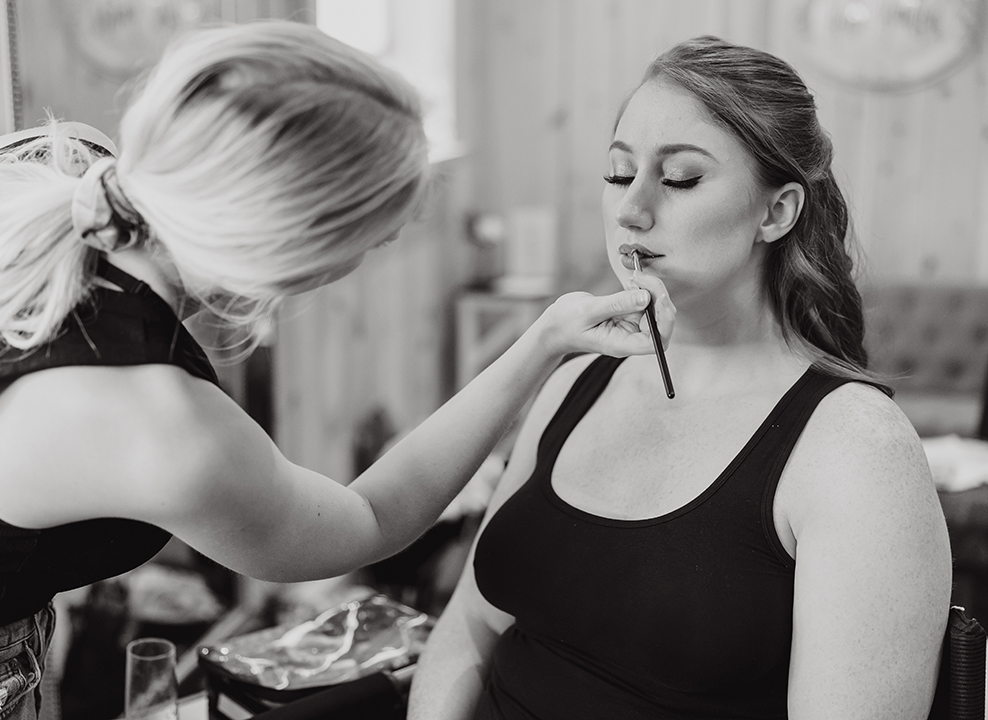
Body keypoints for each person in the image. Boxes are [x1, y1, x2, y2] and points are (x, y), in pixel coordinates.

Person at [0, 20, 669, 720]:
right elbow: (364, 522)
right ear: (301, 255)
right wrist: (539, 348)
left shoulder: (42, 172)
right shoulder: (167, 433)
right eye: (373, 244)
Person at [408, 35, 953, 720]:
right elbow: (469, 629)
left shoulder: (856, 449)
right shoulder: (573, 386)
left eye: (680, 178)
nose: (631, 210)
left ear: (775, 212)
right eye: (617, 174)